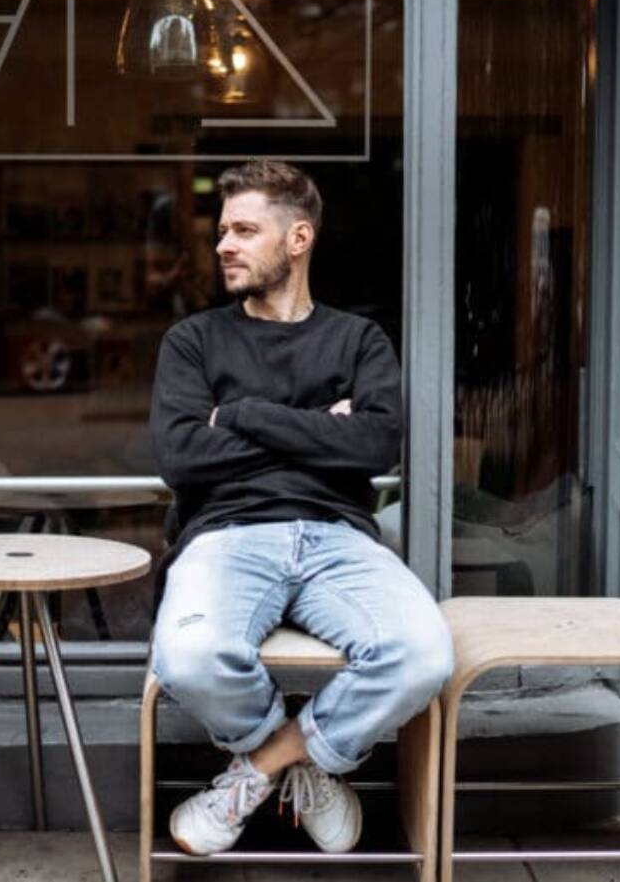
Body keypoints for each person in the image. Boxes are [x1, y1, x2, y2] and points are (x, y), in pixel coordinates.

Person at [149, 160, 454, 856]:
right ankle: (303, 763)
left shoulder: (358, 340)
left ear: (298, 238)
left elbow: (376, 442)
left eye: (245, 230)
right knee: (190, 655)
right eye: (222, 230)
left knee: (423, 652)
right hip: (226, 535)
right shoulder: (193, 342)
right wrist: (321, 429)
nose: (223, 243)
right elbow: (181, 457)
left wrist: (243, 415)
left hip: (336, 538)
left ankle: (261, 768)